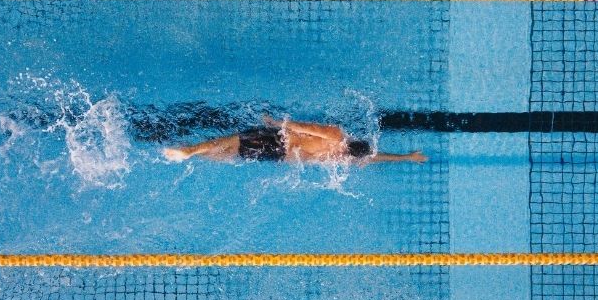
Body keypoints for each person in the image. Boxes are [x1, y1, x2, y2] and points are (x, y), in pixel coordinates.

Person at [162, 115, 428, 164]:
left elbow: (306, 127)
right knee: (227, 154)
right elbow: (374, 158)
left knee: (231, 141)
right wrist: (406, 157)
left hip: (280, 142)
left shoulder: (337, 136)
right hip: (279, 156)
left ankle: (190, 150)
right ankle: (193, 154)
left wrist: (278, 124)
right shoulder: (340, 157)